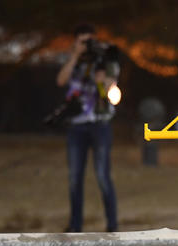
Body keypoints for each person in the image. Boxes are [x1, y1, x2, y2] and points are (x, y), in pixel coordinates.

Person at [56, 23, 119, 232]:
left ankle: (112, 226)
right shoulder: (72, 59)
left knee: (102, 175)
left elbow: (111, 89)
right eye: (82, 41)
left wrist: (103, 80)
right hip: (77, 126)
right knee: (75, 177)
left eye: (89, 41)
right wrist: (75, 55)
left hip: (100, 124)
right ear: (75, 41)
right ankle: (75, 226)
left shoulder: (105, 58)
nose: (86, 45)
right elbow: (61, 80)